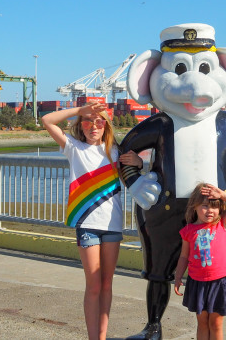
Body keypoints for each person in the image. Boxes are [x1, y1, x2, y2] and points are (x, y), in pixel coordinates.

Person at [41, 102, 141, 340]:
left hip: (112, 225)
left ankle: (103, 336)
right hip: (87, 226)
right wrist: (80, 111)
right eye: (88, 122)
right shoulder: (74, 148)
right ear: (81, 126)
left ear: (105, 125)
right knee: (94, 286)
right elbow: (47, 121)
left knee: (107, 285)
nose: (93, 126)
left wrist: (140, 163)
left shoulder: (116, 152)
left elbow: (138, 173)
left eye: (99, 122)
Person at [173, 183, 226, 340]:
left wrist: (222, 194)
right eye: (205, 206)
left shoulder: (221, 224)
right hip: (197, 281)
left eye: (214, 207)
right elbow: (184, 256)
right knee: (202, 323)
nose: (210, 211)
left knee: (216, 323)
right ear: (195, 206)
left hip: (220, 281)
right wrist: (178, 276)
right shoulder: (188, 230)